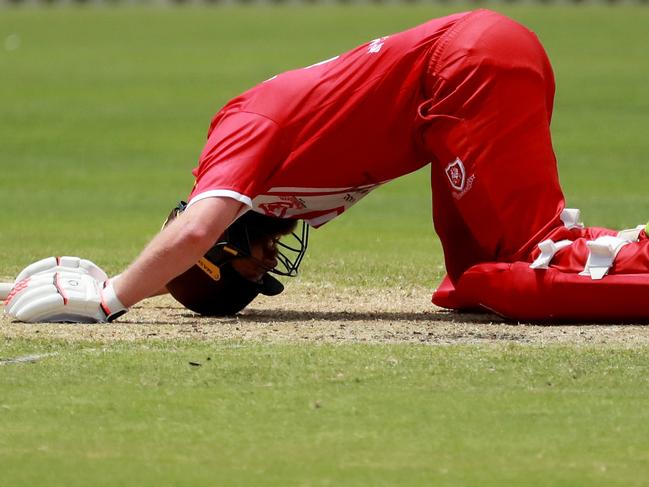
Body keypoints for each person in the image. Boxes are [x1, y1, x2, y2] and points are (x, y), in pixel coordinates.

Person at [5, 9, 649, 323]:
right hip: (460, 82)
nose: (269, 263)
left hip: (467, 71)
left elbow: (196, 229)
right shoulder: (267, 190)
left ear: (220, 252)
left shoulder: (239, 141)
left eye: (248, 268)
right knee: (470, 282)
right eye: (261, 276)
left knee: (532, 264)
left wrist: (112, 297)